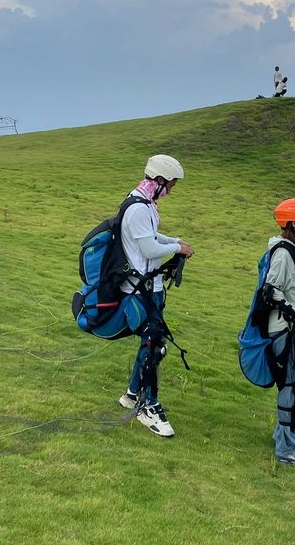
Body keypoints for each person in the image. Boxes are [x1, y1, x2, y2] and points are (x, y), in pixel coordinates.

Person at [118, 154, 194, 437]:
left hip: (150, 287)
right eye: (171, 184)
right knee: (154, 346)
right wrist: (176, 249)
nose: (172, 190)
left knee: (151, 343)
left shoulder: (144, 202)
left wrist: (175, 242)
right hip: (141, 290)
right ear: (159, 180)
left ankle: (131, 393)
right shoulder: (138, 207)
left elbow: (151, 237)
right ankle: (148, 407)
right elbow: (148, 250)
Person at [265, 198, 295, 466]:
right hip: (284, 329)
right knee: (289, 384)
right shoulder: (284, 254)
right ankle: (285, 448)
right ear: (293, 223)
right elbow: (271, 291)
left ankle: (287, 432)